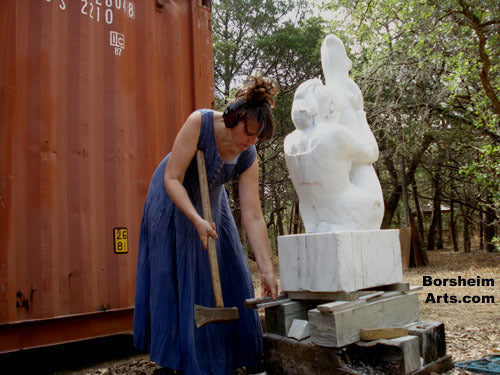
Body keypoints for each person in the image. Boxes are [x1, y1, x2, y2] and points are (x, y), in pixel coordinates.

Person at [133, 76, 279, 375]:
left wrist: (266, 269)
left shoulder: (248, 155)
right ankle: (173, 359)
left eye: (257, 138)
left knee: (233, 266)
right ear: (234, 118)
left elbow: (253, 215)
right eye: (247, 133)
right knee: (176, 271)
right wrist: (196, 219)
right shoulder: (199, 123)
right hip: (174, 198)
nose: (250, 142)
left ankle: (237, 354)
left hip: (212, 201)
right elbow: (172, 178)